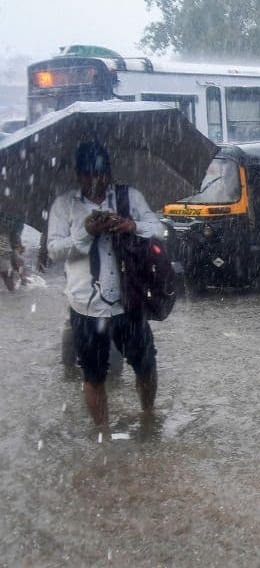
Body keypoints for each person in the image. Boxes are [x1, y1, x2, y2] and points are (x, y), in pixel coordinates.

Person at [46, 141, 163, 433]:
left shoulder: (129, 197)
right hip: (85, 306)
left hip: (128, 300)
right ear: (78, 174)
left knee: (146, 366)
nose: (96, 181)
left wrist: (130, 226)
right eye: (88, 174)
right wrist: (85, 233)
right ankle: (103, 433)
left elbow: (158, 228)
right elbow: (54, 251)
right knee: (94, 376)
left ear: (109, 172)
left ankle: (149, 416)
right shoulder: (64, 205)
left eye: (101, 174)